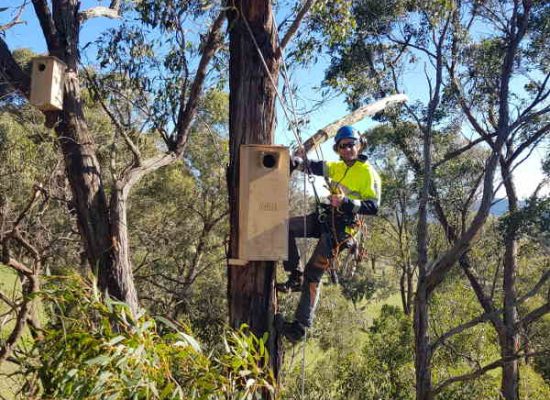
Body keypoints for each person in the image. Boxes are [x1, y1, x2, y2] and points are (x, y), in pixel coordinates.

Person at [275, 125, 381, 343]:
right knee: (284, 227)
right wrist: (297, 162)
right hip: (324, 218)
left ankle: (299, 328)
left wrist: (347, 202)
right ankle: (295, 276)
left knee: (314, 275)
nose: (347, 149)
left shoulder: (367, 173)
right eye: (342, 146)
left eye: (351, 144)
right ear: (338, 149)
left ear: (359, 144)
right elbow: (317, 166)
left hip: (340, 232)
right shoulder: (338, 166)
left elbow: (373, 206)